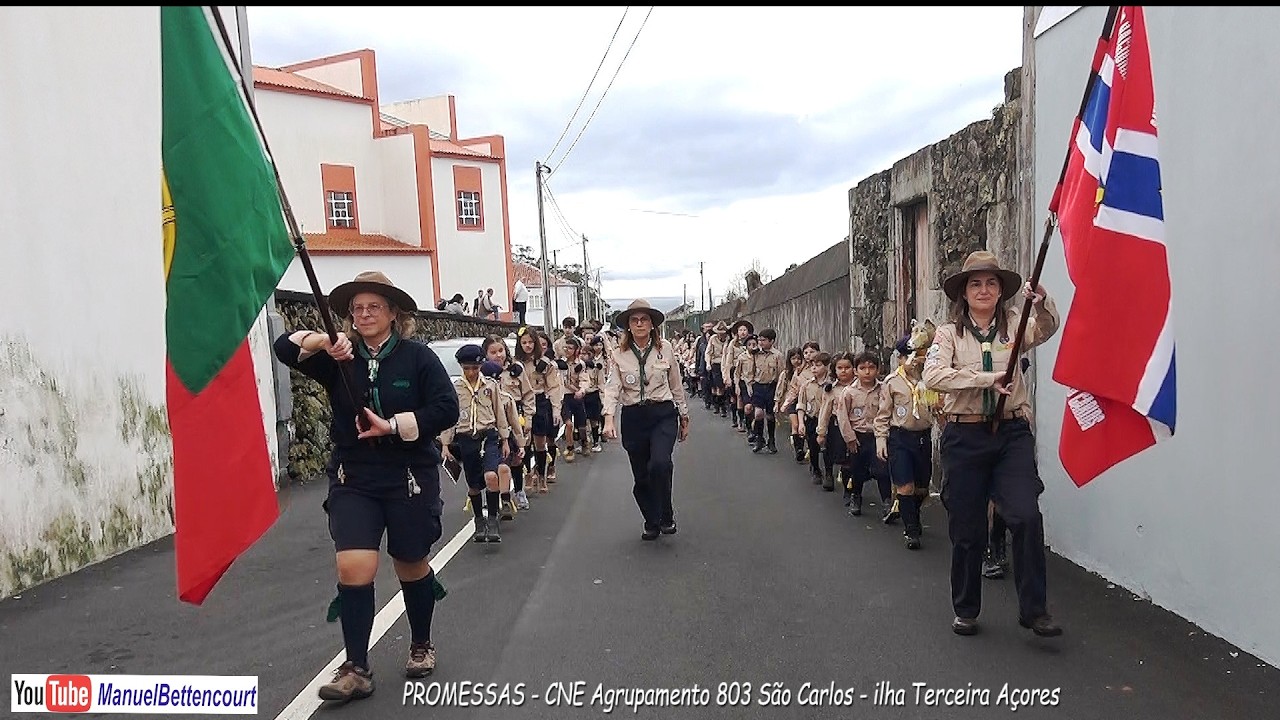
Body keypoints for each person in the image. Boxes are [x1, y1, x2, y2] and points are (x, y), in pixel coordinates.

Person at [273, 271, 459, 702]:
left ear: (394, 313)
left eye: (374, 306)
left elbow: (446, 408)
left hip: (408, 476)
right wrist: (323, 342)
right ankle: (355, 667)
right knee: (353, 566)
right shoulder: (338, 357)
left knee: (410, 563)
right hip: (353, 477)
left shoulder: (418, 358)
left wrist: (392, 425)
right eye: (357, 308)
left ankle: (421, 643)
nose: (364, 314)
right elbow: (284, 347)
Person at [922, 249, 1062, 638]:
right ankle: (966, 608)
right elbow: (934, 376)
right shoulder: (948, 334)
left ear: (1001, 290)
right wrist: (986, 380)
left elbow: (1046, 328)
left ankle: (1034, 610)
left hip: (1011, 434)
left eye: (991, 283)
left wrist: (1042, 301)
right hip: (965, 437)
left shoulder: (1015, 324)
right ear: (963, 293)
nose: (983, 290)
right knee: (967, 529)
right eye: (975, 284)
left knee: (1026, 515)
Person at [602, 299, 691, 540]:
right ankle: (651, 520)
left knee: (660, 464)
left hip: (662, 413)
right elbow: (612, 387)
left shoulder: (666, 349)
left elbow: (676, 384)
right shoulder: (618, 354)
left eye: (644, 319)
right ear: (628, 326)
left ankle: (666, 514)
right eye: (634, 320)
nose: (640, 324)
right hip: (634, 417)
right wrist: (609, 418)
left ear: (652, 325)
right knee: (641, 476)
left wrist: (684, 415)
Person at [439, 344, 514, 543]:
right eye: (467, 368)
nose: (471, 372)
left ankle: (493, 519)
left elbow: (499, 413)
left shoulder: (490, 386)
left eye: (475, 368)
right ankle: (479, 520)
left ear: (481, 366)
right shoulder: (455, 389)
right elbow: (450, 419)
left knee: (491, 476)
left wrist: (505, 439)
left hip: (488, 435)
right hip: (466, 438)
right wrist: (445, 444)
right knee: (473, 485)